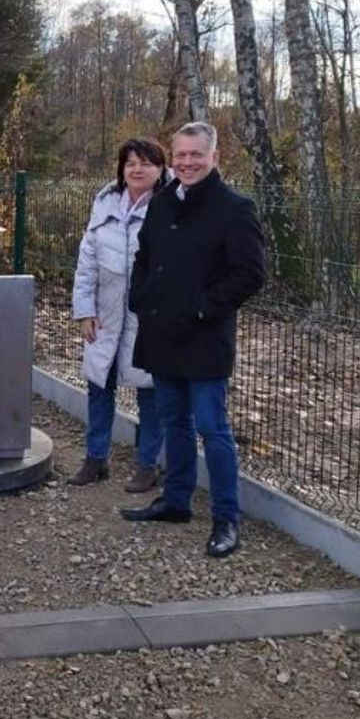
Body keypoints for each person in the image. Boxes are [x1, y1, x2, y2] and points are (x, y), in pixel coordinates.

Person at [120, 121, 266, 558]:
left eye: (195, 155)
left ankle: (226, 518)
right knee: (174, 421)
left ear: (214, 157)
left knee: (212, 427)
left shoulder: (235, 208)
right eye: (181, 155)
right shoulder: (162, 202)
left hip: (204, 338)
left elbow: (250, 274)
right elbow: (144, 257)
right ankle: (176, 501)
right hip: (162, 332)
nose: (187, 162)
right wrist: (140, 298)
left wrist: (203, 307)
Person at [69, 137, 169, 491]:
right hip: (107, 314)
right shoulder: (105, 203)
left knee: (150, 392)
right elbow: (87, 262)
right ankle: (96, 459)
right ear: (121, 169)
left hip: (150, 317)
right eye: (130, 163)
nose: (137, 169)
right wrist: (85, 311)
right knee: (99, 385)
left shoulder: (171, 205)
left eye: (146, 163)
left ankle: (148, 464)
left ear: (160, 169)